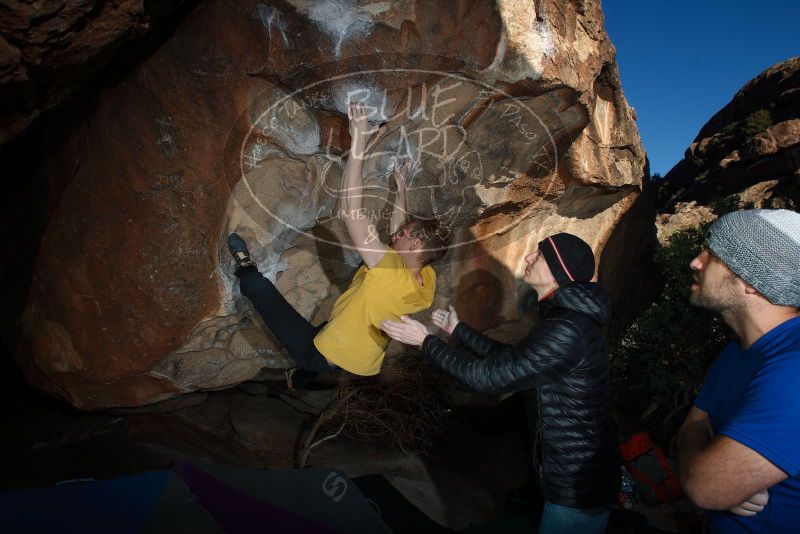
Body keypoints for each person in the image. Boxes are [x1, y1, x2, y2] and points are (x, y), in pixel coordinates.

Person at [380, 232, 619, 533]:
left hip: (575, 489)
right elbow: (511, 360)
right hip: (574, 479)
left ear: (560, 272)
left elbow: (487, 377)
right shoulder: (567, 321)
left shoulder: (567, 329)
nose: (529, 258)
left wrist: (425, 341)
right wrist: (458, 331)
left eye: (540, 255)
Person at [229, 102, 448, 388]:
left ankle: (245, 270)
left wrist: (358, 140)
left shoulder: (388, 269)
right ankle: (303, 379)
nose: (395, 236)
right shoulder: (426, 280)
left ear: (416, 244)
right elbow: (399, 229)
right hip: (362, 356)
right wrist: (401, 186)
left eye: (404, 235)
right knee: (329, 328)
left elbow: (350, 212)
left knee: (258, 289)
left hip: (322, 353)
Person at [676, 208, 800, 532]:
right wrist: (706, 463)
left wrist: (708, 474)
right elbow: (693, 426)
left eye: (712, 255)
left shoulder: (794, 368)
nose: (695, 262)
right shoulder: (737, 352)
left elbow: (705, 486)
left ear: (753, 280)